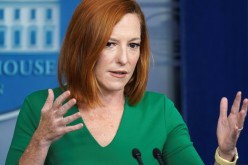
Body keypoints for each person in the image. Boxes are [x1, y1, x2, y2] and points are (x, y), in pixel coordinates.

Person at [6, 0, 247, 164]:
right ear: (82, 47)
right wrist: (41, 141)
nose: (123, 59)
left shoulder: (159, 111)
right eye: (110, 44)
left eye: (133, 45)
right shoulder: (41, 107)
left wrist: (225, 154)